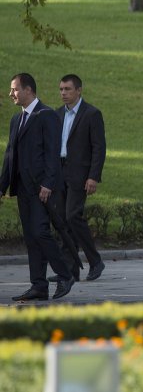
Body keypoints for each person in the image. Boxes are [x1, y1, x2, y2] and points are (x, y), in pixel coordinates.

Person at [1, 73, 75, 301]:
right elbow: (10, 155)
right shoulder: (17, 119)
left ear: (28, 90)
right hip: (22, 188)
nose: (11, 93)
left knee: (41, 232)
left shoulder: (47, 115)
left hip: (41, 188)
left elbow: (53, 153)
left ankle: (65, 274)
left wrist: (48, 184)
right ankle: (39, 286)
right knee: (31, 236)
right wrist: (2, 186)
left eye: (14, 89)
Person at [54, 74, 107, 282]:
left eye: (67, 89)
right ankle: (70, 270)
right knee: (63, 222)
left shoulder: (92, 114)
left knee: (72, 216)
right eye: (61, 89)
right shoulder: (57, 114)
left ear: (78, 90)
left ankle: (95, 261)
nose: (63, 93)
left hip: (79, 174)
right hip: (60, 172)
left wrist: (93, 176)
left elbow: (99, 148)